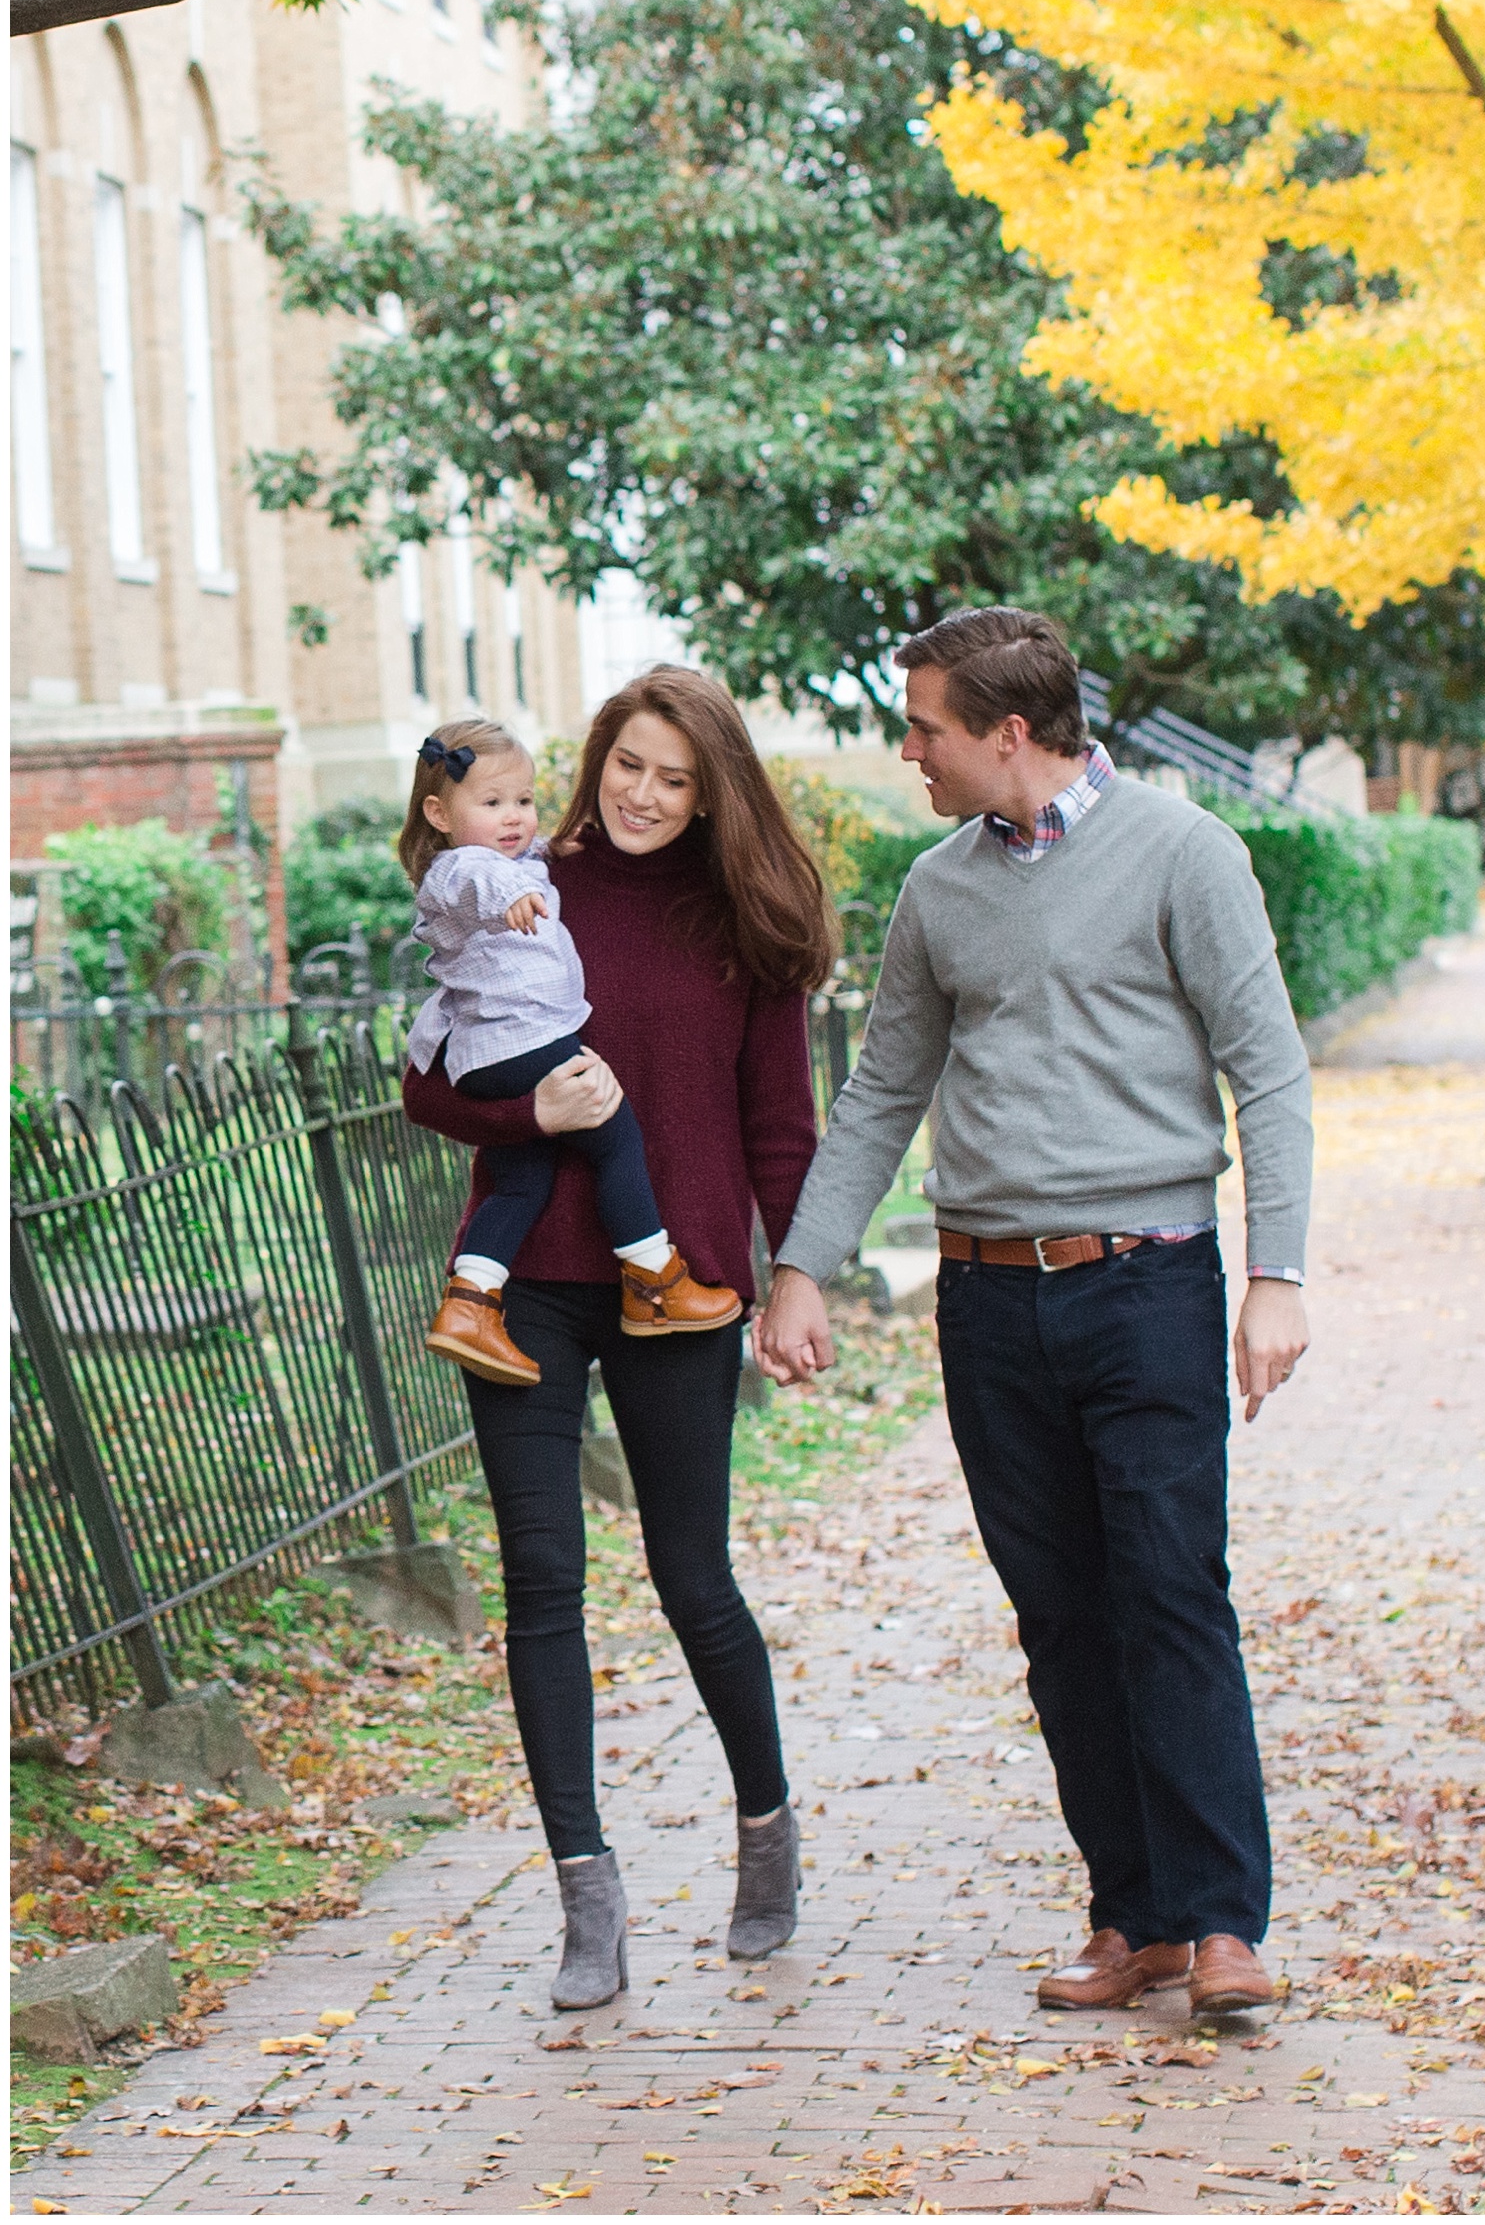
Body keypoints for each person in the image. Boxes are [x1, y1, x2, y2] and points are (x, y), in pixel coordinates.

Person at [757, 606, 1311, 2024]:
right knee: (1062, 1615)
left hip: (1150, 1280)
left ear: (1009, 732)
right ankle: (1134, 1916)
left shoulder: (1187, 854)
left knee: (1172, 1590)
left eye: (927, 725)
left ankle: (1223, 1918)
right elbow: (883, 1089)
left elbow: (1269, 1067)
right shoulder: (941, 889)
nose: (911, 750)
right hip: (991, 1300)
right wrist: (807, 1264)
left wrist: (1278, 1275)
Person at [402, 669, 835, 2006]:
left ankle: (766, 1831)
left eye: (676, 775)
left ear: (713, 787)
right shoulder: (520, 873)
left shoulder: (748, 921)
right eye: (628, 765)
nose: (644, 793)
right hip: (527, 1279)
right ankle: (586, 1896)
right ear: (597, 765)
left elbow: (779, 1123)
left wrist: (795, 1271)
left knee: (692, 1575)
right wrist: (533, 1120)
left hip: (681, 1282)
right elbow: (430, 1079)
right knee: (543, 1579)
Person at [400, 718, 739, 1386]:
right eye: (492, 803)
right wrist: (516, 894)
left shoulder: (520, 860)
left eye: (523, 801)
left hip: (494, 1052)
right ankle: (652, 1276)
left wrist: (547, 858)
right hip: (523, 1039)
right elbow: (478, 883)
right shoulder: (465, 869)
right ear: (438, 814)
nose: (513, 818)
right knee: (615, 1137)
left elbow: (529, 862)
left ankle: (471, 1302)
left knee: (521, 1180)